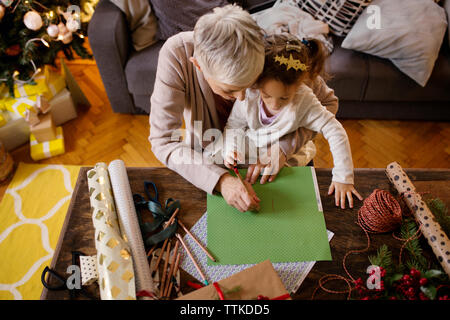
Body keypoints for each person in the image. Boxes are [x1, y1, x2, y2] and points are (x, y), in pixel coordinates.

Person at [149, 5, 341, 212]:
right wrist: (220, 179)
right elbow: (164, 141)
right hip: (208, 163)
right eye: (230, 90)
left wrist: (285, 147)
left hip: (279, 163)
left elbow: (328, 104)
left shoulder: (275, 54)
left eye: (251, 84)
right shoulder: (177, 54)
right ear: (198, 66)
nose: (241, 98)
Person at [220, 34, 363, 209]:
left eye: (284, 98)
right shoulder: (250, 91)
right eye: (267, 96)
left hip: (290, 162)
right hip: (251, 154)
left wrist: (343, 177)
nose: (274, 105)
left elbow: (335, 131)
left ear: (301, 84)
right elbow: (234, 125)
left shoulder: (305, 100)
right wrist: (231, 148)